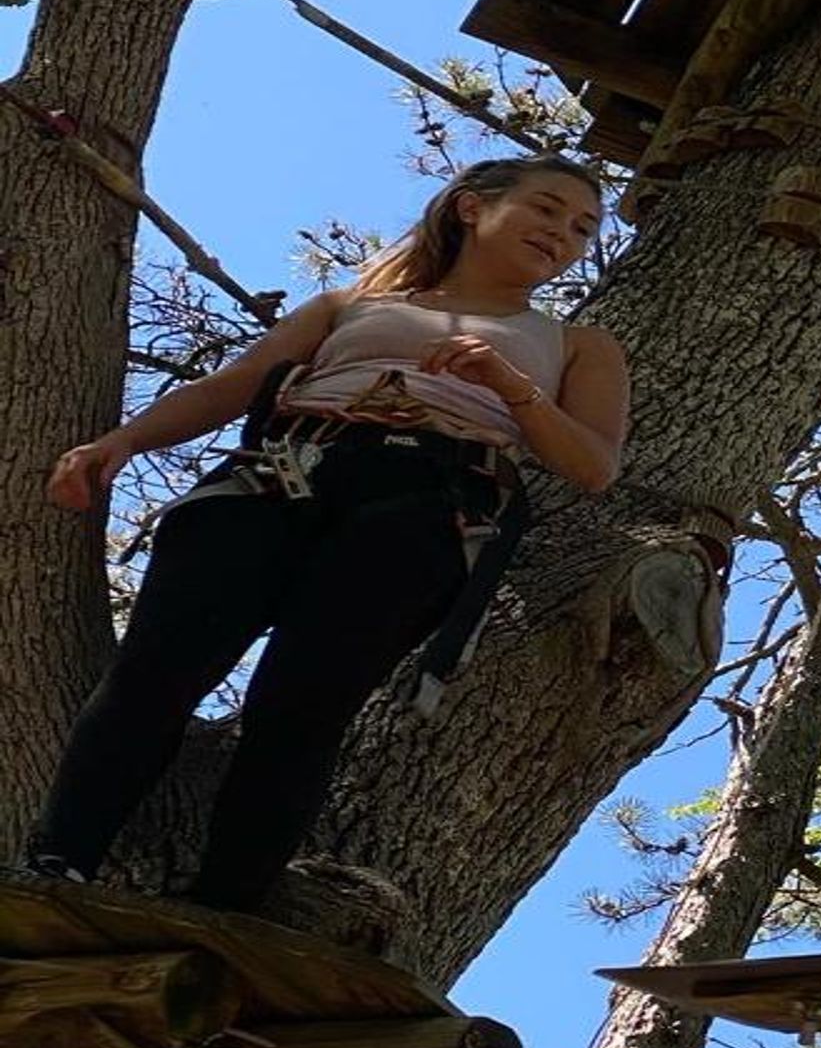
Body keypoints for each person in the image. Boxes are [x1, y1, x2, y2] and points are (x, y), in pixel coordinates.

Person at [17, 153, 629, 913]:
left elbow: (593, 464)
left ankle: (224, 908)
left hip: (429, 501)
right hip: (284, 472)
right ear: (472, 207)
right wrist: (124, 442)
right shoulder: (350, 305)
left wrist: (512, 388)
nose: (563, 234)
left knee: (302, 706)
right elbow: (229, 387)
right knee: (156, 672)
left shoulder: (576, 345)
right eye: (547, 208)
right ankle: (57, 863)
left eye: (581, 228)